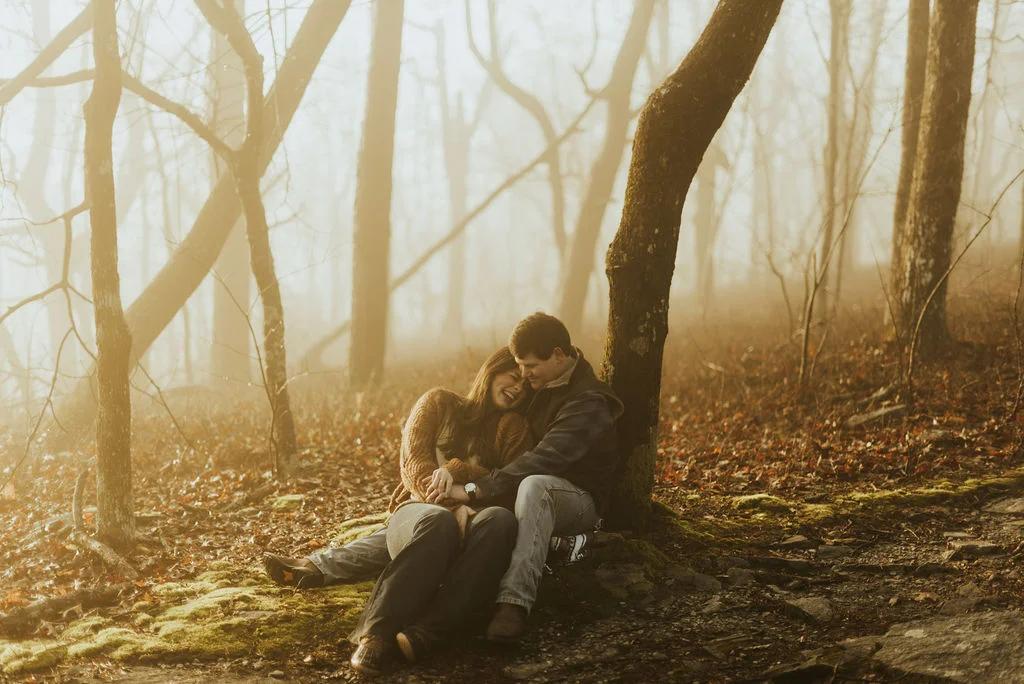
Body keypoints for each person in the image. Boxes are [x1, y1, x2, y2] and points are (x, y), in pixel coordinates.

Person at [263, 347, 531, 676]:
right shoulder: (439, 404)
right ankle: (376, 634)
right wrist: (453, 506)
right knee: (438, 521)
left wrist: (458, 471)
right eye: (513, 377)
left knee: (500, 520)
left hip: (478, 528)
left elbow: (510, 483)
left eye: (526, 385)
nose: (518, 388)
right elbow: (415, 466)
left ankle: (425, 633)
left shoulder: (515, 427)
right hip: (420, 513)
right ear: (492, 371)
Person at [435, 313, 623, 643]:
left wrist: (476, 488)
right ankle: (329, 565)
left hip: (578, 499)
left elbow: (544, 459)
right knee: (440, 518)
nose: (523, 374)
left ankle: (514, 603)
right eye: (520, 365)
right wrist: (449, 469)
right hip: (519, 492)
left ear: (558, 356)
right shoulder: (539, 386)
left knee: (535, 485)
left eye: (530, 365)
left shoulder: (587, 400)